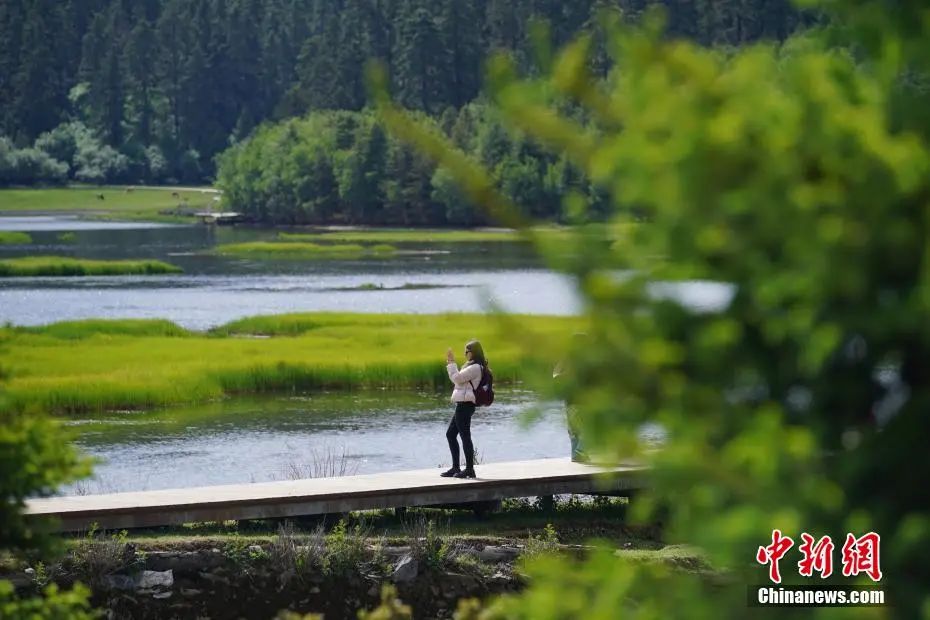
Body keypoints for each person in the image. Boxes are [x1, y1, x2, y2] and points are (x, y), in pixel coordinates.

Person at [441, 340, 487, 478]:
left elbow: (457, 378)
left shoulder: (475, 368)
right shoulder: (471, 366)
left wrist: (451, 363)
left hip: (466, 406)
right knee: (451, 434)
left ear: (473, 352)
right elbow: (459, 380)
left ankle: (469, 469)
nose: (465, 354)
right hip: (462, 405)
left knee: (465, 437)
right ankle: (456, 467)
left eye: (467, 351)